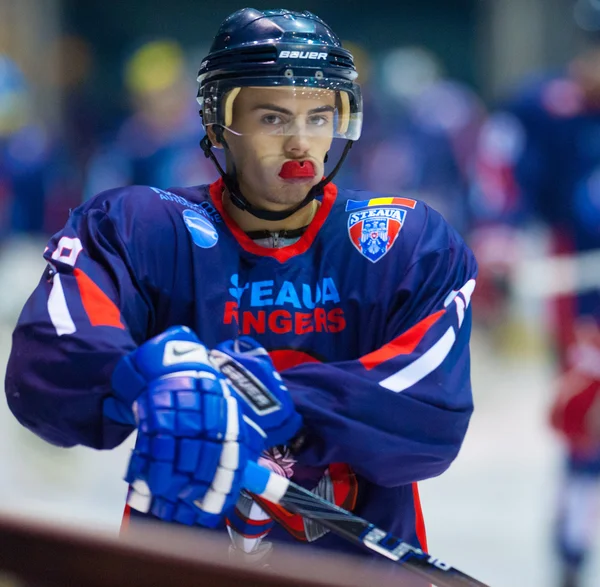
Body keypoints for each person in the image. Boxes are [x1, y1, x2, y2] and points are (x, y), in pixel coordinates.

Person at [4, 7, 478, 565]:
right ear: (215, 125)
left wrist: (256, 400)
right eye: (274, 119)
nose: (302, 145)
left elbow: (430, 411)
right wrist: (137, 380)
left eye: (320, 117)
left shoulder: (402, 241)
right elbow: (47, 361)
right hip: (177, 571)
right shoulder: (141, 230)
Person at [469, 21, 600, 586]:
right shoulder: (543, 109)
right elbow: (500, 179)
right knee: (588, 414)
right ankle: (572, 547)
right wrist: (498, 235)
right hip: (580, 282)